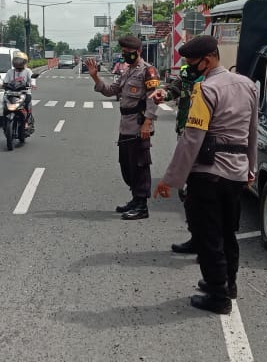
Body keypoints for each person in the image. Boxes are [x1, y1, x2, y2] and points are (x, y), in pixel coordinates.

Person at [153, 36, 258, 315]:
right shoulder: (247, 85)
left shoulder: (206, 89)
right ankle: (228, 284)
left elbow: (192, 138)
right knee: (227, 233)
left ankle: (217, 294)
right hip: (236, 171)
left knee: (208, 235)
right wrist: (251, 168)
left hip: (208, 173)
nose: (191, 68)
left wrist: (170, 179)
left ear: (208, 59)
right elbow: (252, 132)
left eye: (192, 62)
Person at [86, 36, 160, 220]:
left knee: (140, 165)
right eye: (124, 53)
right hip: (125, 124)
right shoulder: (127, 71)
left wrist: (147, 123)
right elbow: (111, 90)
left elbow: (153, 97)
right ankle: (135, 199)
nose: (125, 56)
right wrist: (95, 76)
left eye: (129, 53)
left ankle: (142, 206)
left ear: (138, 52)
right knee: (127, 166)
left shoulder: (147, 71)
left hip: (139, 124)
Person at [151, 62, 205, 254]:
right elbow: (173, 89)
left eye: (193, 58)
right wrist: (163, 94)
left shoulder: (214, 80)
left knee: (203, 191)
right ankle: (197, 237)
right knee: (187, 192)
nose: (189, 63)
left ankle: (208, 245)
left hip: (207, 140)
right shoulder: (187, 75)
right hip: (185, 133)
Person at [2, 51, 37, 134]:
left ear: (25, 62)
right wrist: (2, 85)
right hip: (11, 93)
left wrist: (32, 84)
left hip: (24, 92)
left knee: (27, 105)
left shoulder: (28, 71)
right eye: (16, 61)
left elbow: (32, 79)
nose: (18, 63)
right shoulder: (10, 71)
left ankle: (26, 122)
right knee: (4, 106)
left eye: (20, 61)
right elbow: (5, 81)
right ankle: (5, 122)